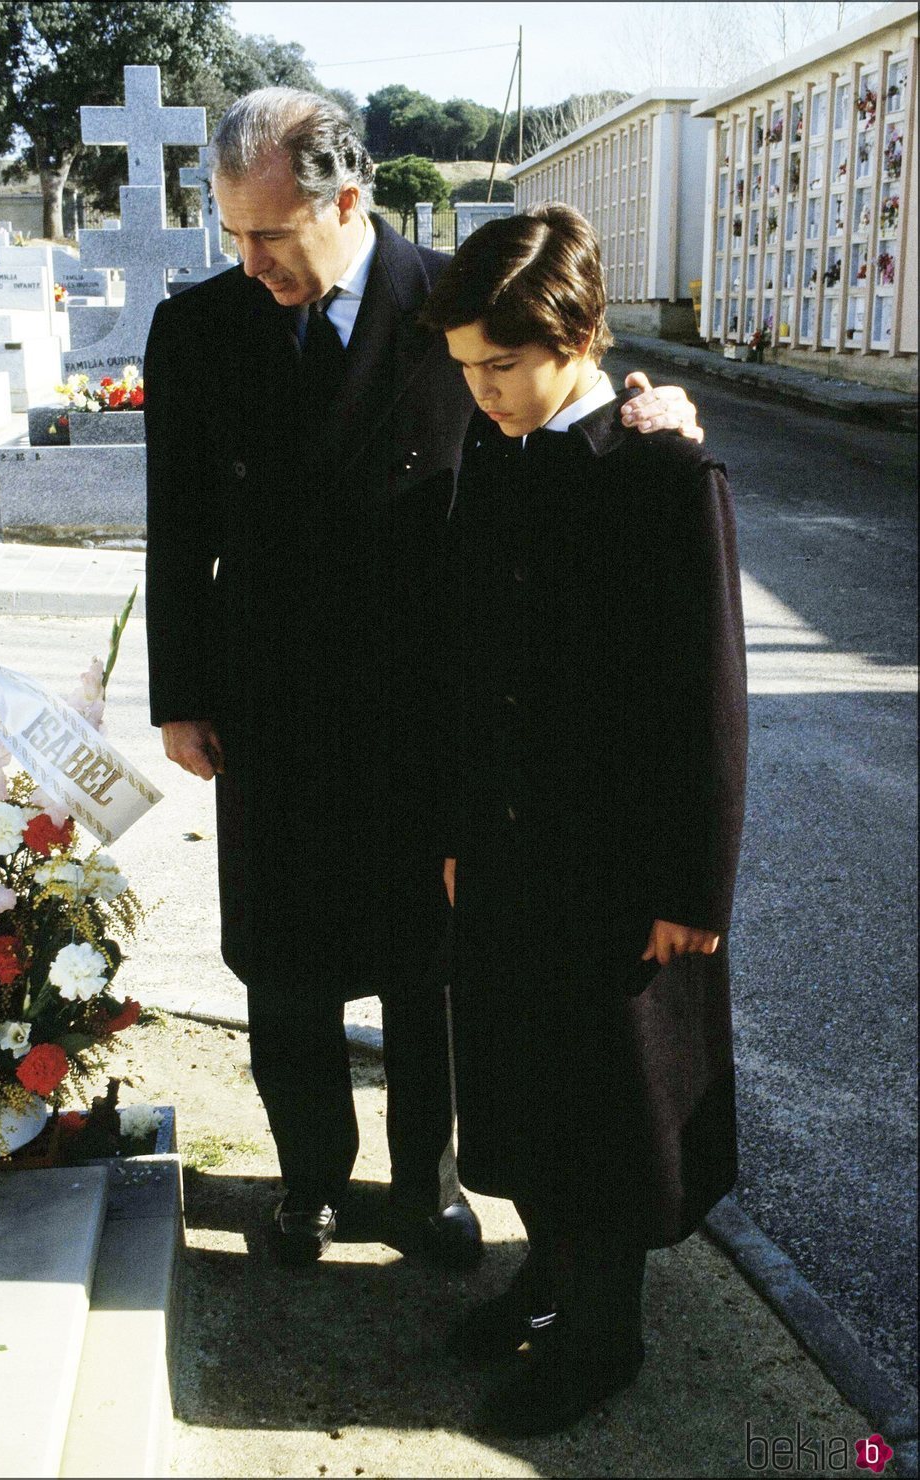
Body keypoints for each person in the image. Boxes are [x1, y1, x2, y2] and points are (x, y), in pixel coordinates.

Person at [143, 88, 707, 1272]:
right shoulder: (198, 327)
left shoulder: (448, 304)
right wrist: (181, 692)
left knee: (426, 966)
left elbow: (565, 386)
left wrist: (656, 415)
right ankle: (309, 1179)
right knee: (284, 963)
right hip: (271, 705)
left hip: (428, 702)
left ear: (347, 199)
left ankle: (426, 1182)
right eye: (231, 234)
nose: (248, 263)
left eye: (272, 237)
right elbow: (174, 524)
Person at [421, 204, 747, 1434]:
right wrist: (456, 826)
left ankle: (603, 1332)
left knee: (607, 1110)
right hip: (505, 847)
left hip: (619, 869)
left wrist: (690, 892)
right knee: (517, 1086)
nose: (482, 391)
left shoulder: (662, 467)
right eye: (464, 369)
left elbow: (710, 697)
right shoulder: (495, 453)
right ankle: (548, 1275)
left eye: (500, 365)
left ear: (569, 334)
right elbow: (466, 661)